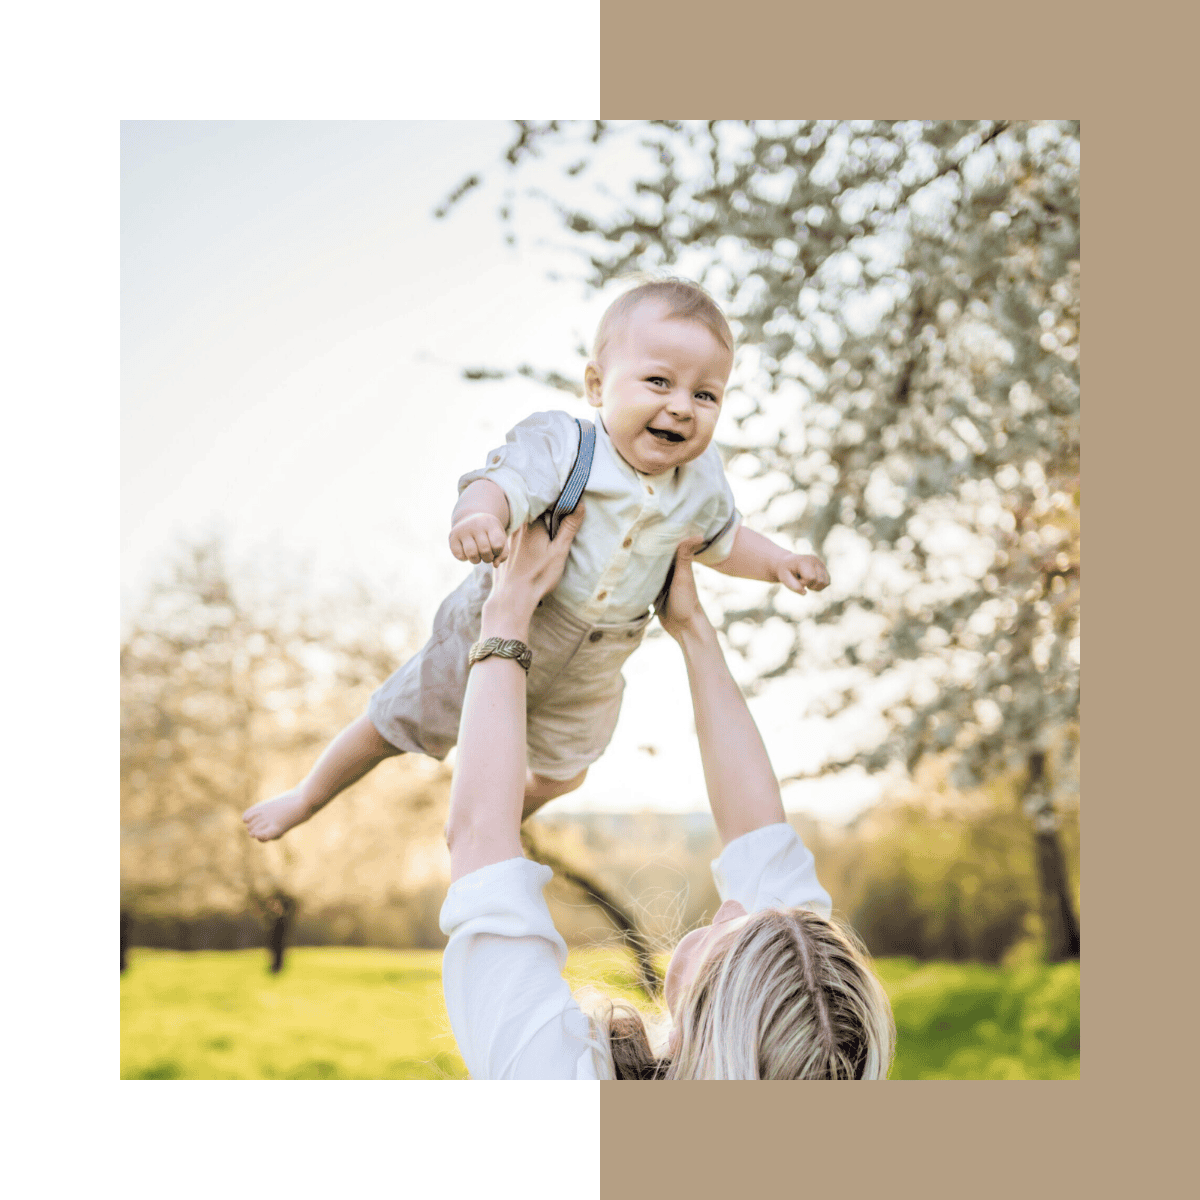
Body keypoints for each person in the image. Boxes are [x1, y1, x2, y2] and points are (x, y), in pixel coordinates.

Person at [243, 279, 829, 843]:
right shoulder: (565, 444)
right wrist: (479, 519)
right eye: (658, 382)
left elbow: (726, 538)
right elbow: (498, 483)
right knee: (392, 725)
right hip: (498, 628)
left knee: (566, 771)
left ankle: (490, 823)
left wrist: (779, 562)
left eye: (705, 394)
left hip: (597, 661)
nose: (681, 408)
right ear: (598, 386)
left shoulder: (701, 482)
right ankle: (307, 797)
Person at [440, 507, 895, 1080]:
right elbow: (762, 835)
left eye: (734, 936)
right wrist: (691, 626)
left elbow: (480, 838)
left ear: (719, 1025)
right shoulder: (810, 1054)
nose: (732, 905)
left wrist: (508, 611)